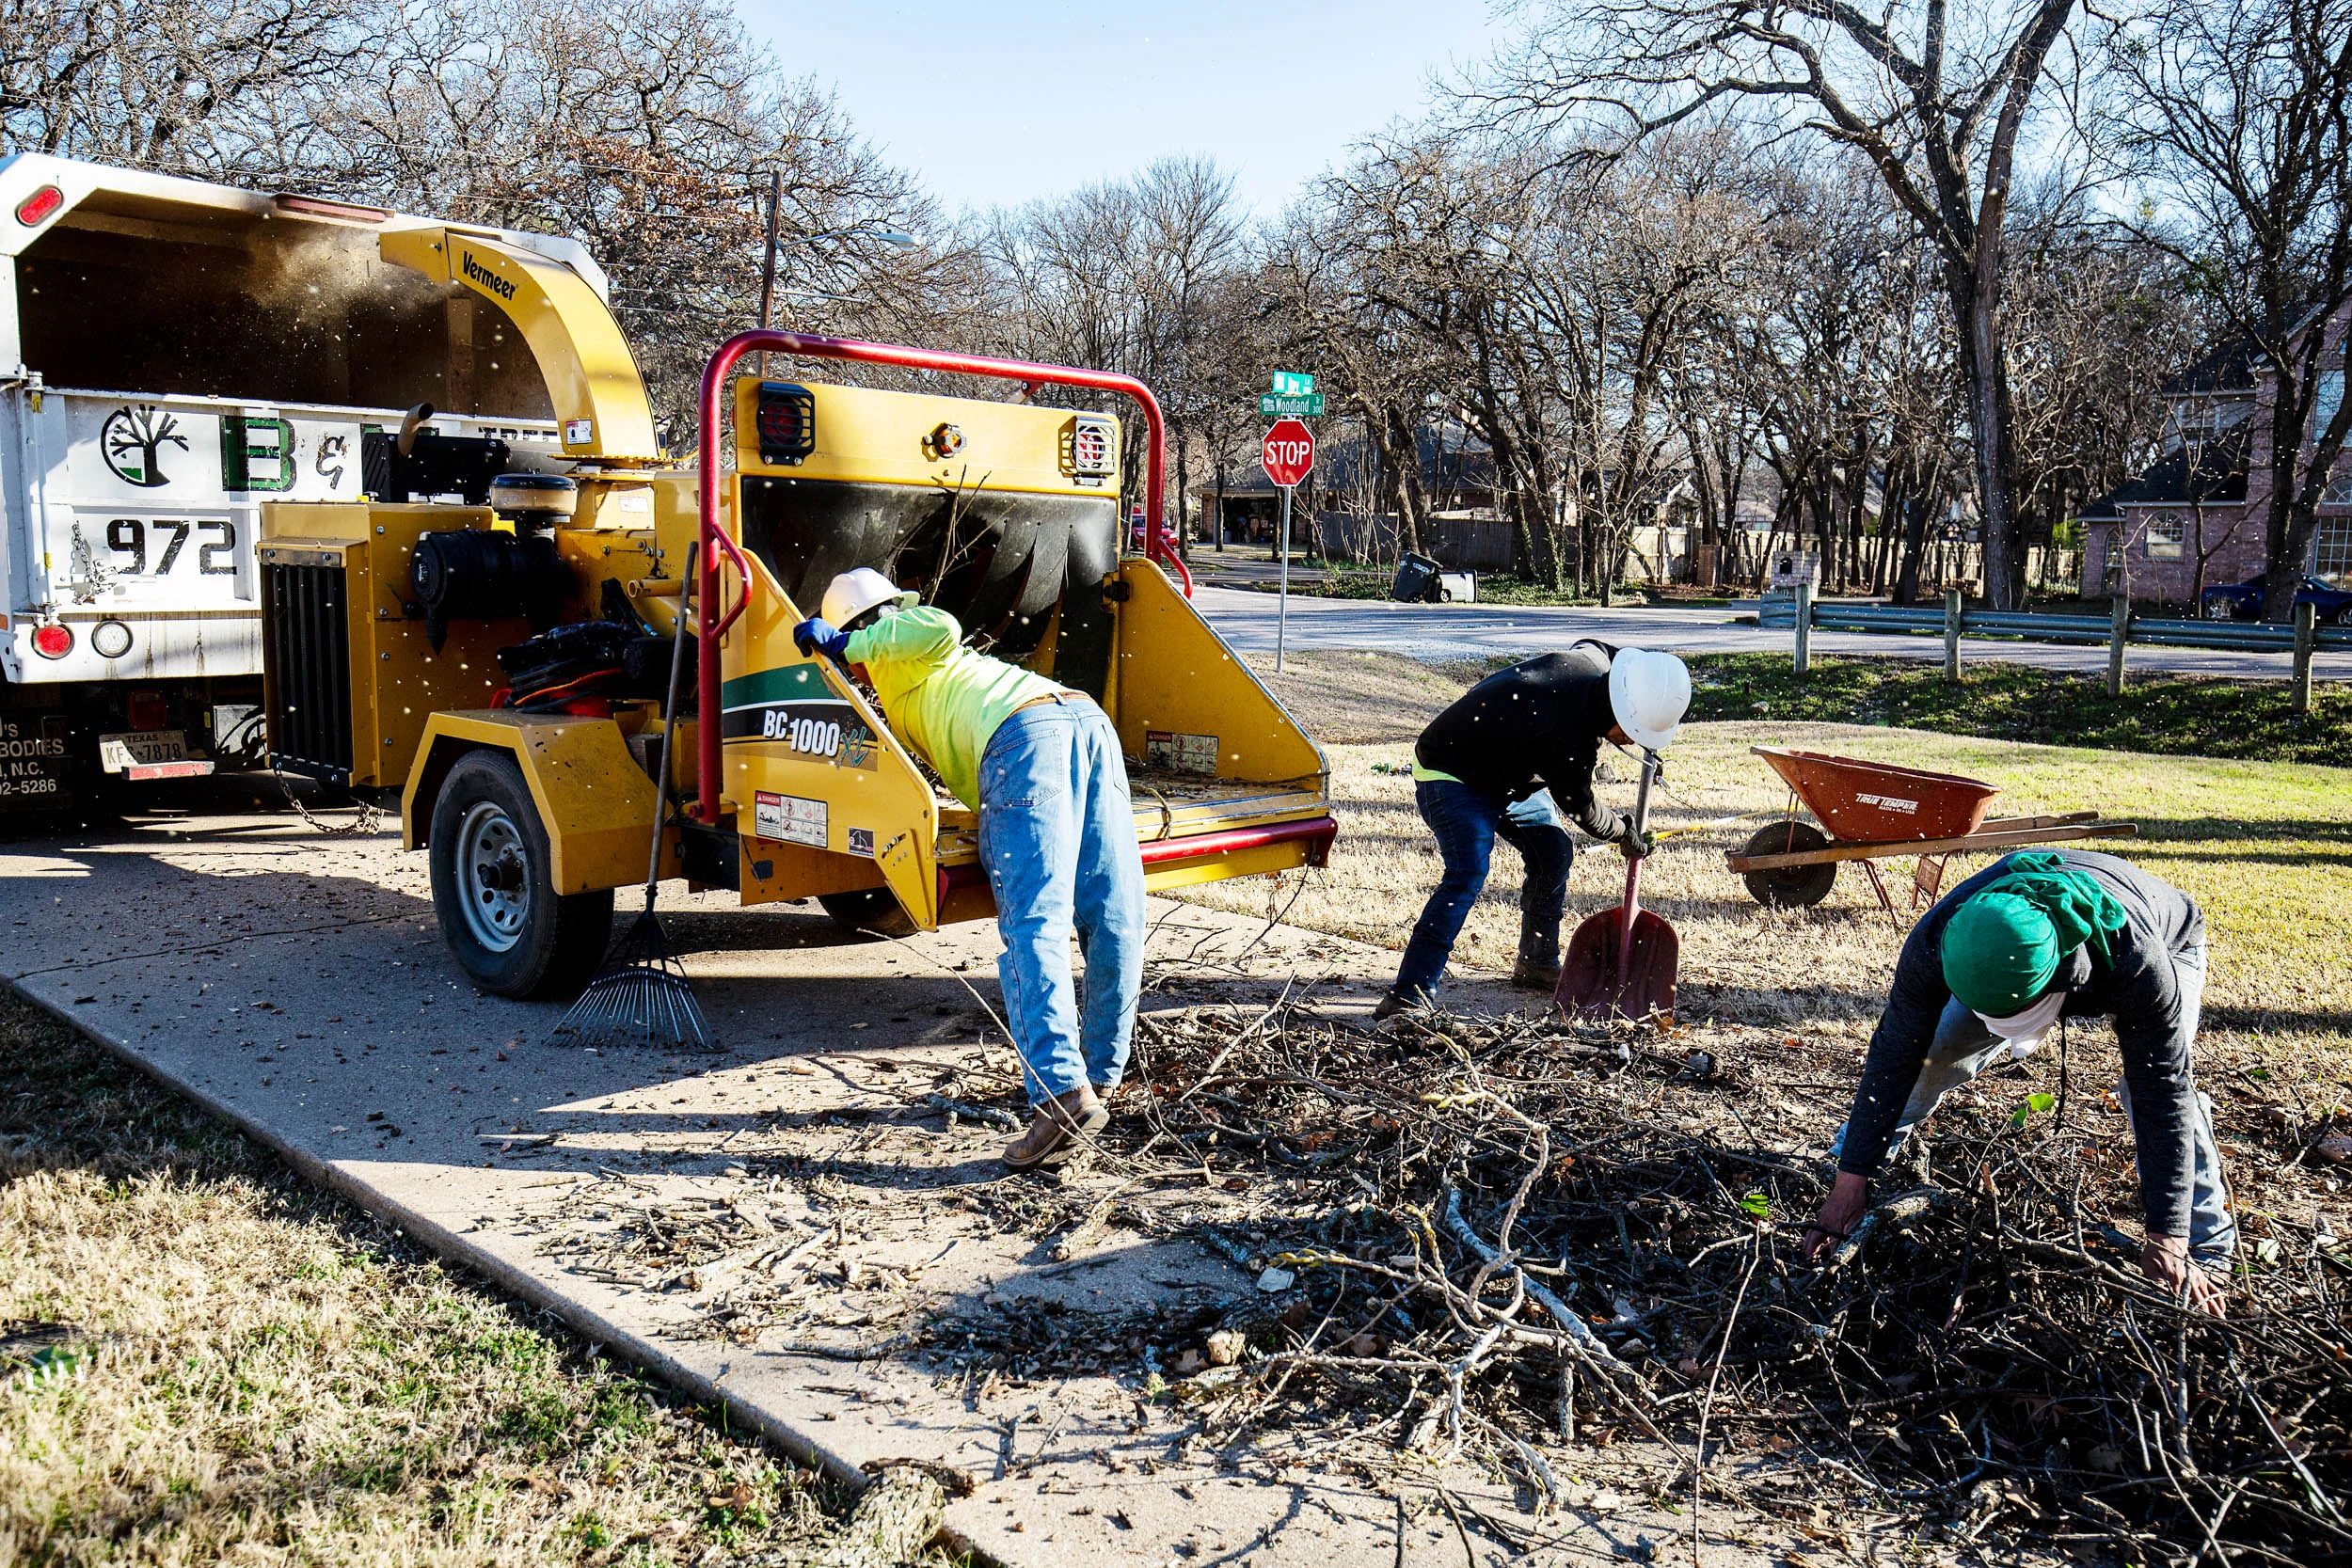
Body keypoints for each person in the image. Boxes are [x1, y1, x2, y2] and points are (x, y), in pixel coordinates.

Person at [794, 569, 1144, 1171]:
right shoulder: (927, 679)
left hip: (1025, 738)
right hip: (1082, 722)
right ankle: (1101, 1077)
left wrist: (844, 645)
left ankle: (1062, 1091)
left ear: (862, 631)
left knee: (1034, 924)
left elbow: (939, 624)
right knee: (1113, 913)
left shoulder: (906, 640)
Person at [1804, 849, 2232, 1316]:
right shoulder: (1938, 940)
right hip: (2004, 960)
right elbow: (1893, 1055)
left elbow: (2162, 1092)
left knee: (2151, 1089)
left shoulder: (2137, 963)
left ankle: (2204, 1251)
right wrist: (1851, 1181)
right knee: (1940, 1046)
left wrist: (2166, 1233)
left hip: (2170, 940)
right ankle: (1853, 1158)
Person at [1375, 642, 1691, 1019]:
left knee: (1553, 851)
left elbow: (1600, 647)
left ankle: (1537, 961)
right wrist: (1624, 831)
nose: (1634, 740)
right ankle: (1408, 994)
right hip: (1452, 773)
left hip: (1509, 773)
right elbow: (1583, 809)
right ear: (1620, 709)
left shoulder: (1596, 662)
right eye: (1634, 731)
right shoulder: (1566, 738)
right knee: (1467, 872)